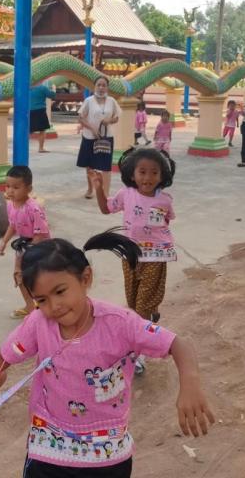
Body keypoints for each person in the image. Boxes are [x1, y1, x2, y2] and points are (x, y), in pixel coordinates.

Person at [0, 232, 214, 478]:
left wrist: (190, 385)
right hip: (48, 447)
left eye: (60, 291)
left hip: (107, 454)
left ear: (85, 278)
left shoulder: (121, 323)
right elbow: (3, 358)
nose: (54, 306)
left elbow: (178, 344)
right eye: (41, 300)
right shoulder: (38, 323)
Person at [91, 147, 176, 375]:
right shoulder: (126, 194)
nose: (148, 177)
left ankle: (138, 353)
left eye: (154, 172)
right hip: (130, 255)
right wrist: (99, 188)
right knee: (133, 300)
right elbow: (106, 208)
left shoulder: (165, 200)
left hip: (155, 256)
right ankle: (149, 317)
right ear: (132, 174)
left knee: (141, 307)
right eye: (142, 172)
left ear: (162, 175)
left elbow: (166, 221)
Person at [0, 166, 50, 319]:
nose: (10, 191)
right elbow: (13, 225)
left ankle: (45, 306)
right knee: (19, 276)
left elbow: (40, 234)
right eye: (7, 186)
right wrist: (4, 242)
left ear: (29, 189)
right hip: (23, 245)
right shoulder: (10, 205)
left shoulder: (34, 208)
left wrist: (26, 253)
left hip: (40, 248)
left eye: (16, 187)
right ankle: (30, 306)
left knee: (39, 279)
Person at [77, 76, 120, 199]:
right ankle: (90, 189)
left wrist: (109, 121)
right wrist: (92, 128)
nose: (101, 88)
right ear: (94, 87)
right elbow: (80, 118)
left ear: (107, 87)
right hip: (89, 137)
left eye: (104, 85)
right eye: (99, 85)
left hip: (106, 137)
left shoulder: (112, 101)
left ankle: (106, 193)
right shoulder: (89, 101)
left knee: (106, 166)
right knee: (89, 165)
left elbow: (116, 118)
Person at [30, 83, 56, 153]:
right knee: (42, 130)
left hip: (28, 110)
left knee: (28, 130)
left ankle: (21, 147)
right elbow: (52, 95)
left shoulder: (26, 88)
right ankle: (41, 148)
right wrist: (54, 89)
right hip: (40, 110)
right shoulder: (42, 88)